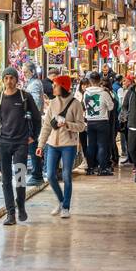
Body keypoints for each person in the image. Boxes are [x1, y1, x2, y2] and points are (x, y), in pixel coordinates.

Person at [0, 68, 42, 226]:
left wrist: (33, 136)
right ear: (3, 80)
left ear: (17, 80)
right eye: (6, 78)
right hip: (3, 143)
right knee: (5, 180)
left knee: (20, 177)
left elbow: (37, 119)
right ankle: (11, 213)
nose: (9, 81)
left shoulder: (25, 97)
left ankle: (21, 206)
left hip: (20, 144)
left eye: (12, 78)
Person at [37, 75, 86, 218]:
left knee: (66, 176)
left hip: (68, 145)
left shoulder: (76, 104)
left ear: (63, 86)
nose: (53, 87)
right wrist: (41, 145)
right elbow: (47, 126)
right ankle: (60, 200)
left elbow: (82, 126)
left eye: (55, 85)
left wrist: (67, 124)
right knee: (50, 175)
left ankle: (66, 207)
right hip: (52, 144)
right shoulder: (52, 103)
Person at [82, 72, 116, 175]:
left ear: (90, 81)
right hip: (102, 122)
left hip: (90, 122)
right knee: (102, 145)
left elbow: (85, 106)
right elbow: (111, 107)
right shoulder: (104, 93)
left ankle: (91, 167)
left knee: (91, 145)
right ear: (100, 80)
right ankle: (103, 168)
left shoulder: (85, 93)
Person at [22, 62, 45, 185]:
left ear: (32, 71)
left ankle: (37, 175)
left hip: (32, 120)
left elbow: (35, 103)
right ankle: (36, 173)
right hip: (30, 119)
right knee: (31, 146)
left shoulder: (35, 84)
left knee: (32, 145)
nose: (24, 74)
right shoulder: (31, 83)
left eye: (26, 71)